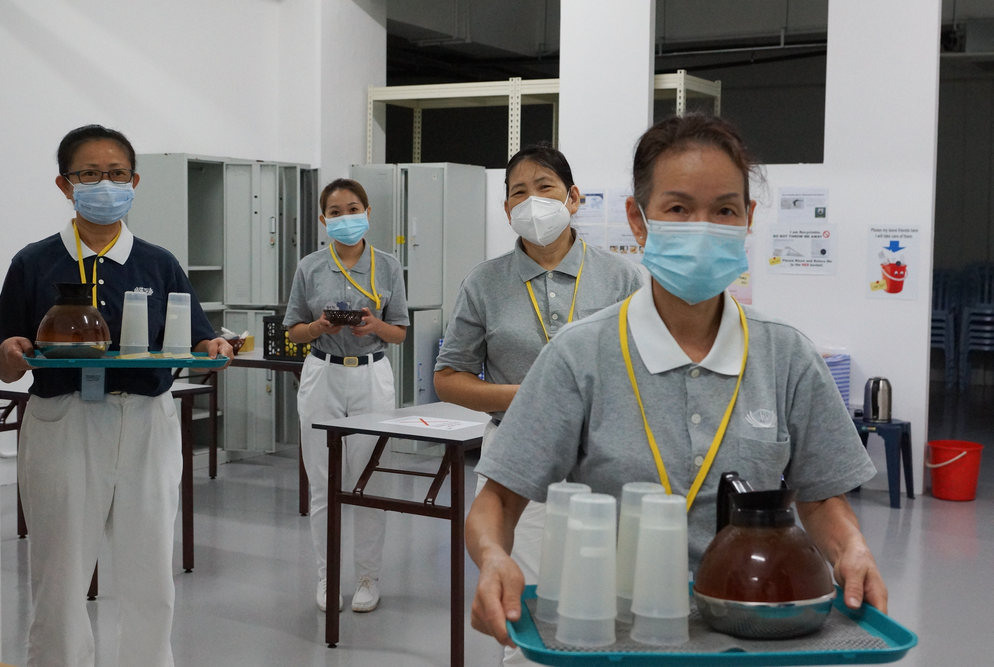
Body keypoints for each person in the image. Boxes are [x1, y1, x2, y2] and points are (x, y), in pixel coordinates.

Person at [465, 114, 888, 648]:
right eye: (679, 208)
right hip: (617, 636)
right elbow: (498, 501)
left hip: (753, 631)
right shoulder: (580, 355)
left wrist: (850, 547)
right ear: (638, 221)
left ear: (748, 219)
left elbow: (824, 498)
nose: (702, 226)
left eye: (725, 210)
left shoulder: (787, 356)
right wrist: (494, 557)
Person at [0, 124, 234, 667]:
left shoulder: (158, 262)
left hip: (145, 421)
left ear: (135, 180)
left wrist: (214, 343)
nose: (105, 184)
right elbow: (9, 360)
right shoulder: (32, 263)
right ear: (64, 184)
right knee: (59, 578)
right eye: (90, 174)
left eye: (117, 174)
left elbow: (197, 335)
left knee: (150, 575)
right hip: (64, 422)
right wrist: (10, 354)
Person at [434, 143, 642, 663]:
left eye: (545, 187)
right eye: (518, 193)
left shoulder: (619, 278)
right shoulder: (484, 282)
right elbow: (448, 377)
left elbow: (642, 369)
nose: (532, 201)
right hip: (518, 453)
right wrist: (526, 396)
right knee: (524, 608)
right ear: (506, 211)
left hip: (605, 454)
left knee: (607, 604)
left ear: (573, 198)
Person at [284, 178, 409, 615]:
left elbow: (400, 333)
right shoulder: (310, 267)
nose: (344, 218)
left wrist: (374, 325)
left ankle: (367, 577)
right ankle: (326, 576)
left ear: (368, 211)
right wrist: (320, 327)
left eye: (352, 208)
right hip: (323, 372)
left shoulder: (388, 265)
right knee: (322, 483)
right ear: (323, 220)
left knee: (370, 481)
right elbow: (294, 330)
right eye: (335, 212)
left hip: (372, 375)